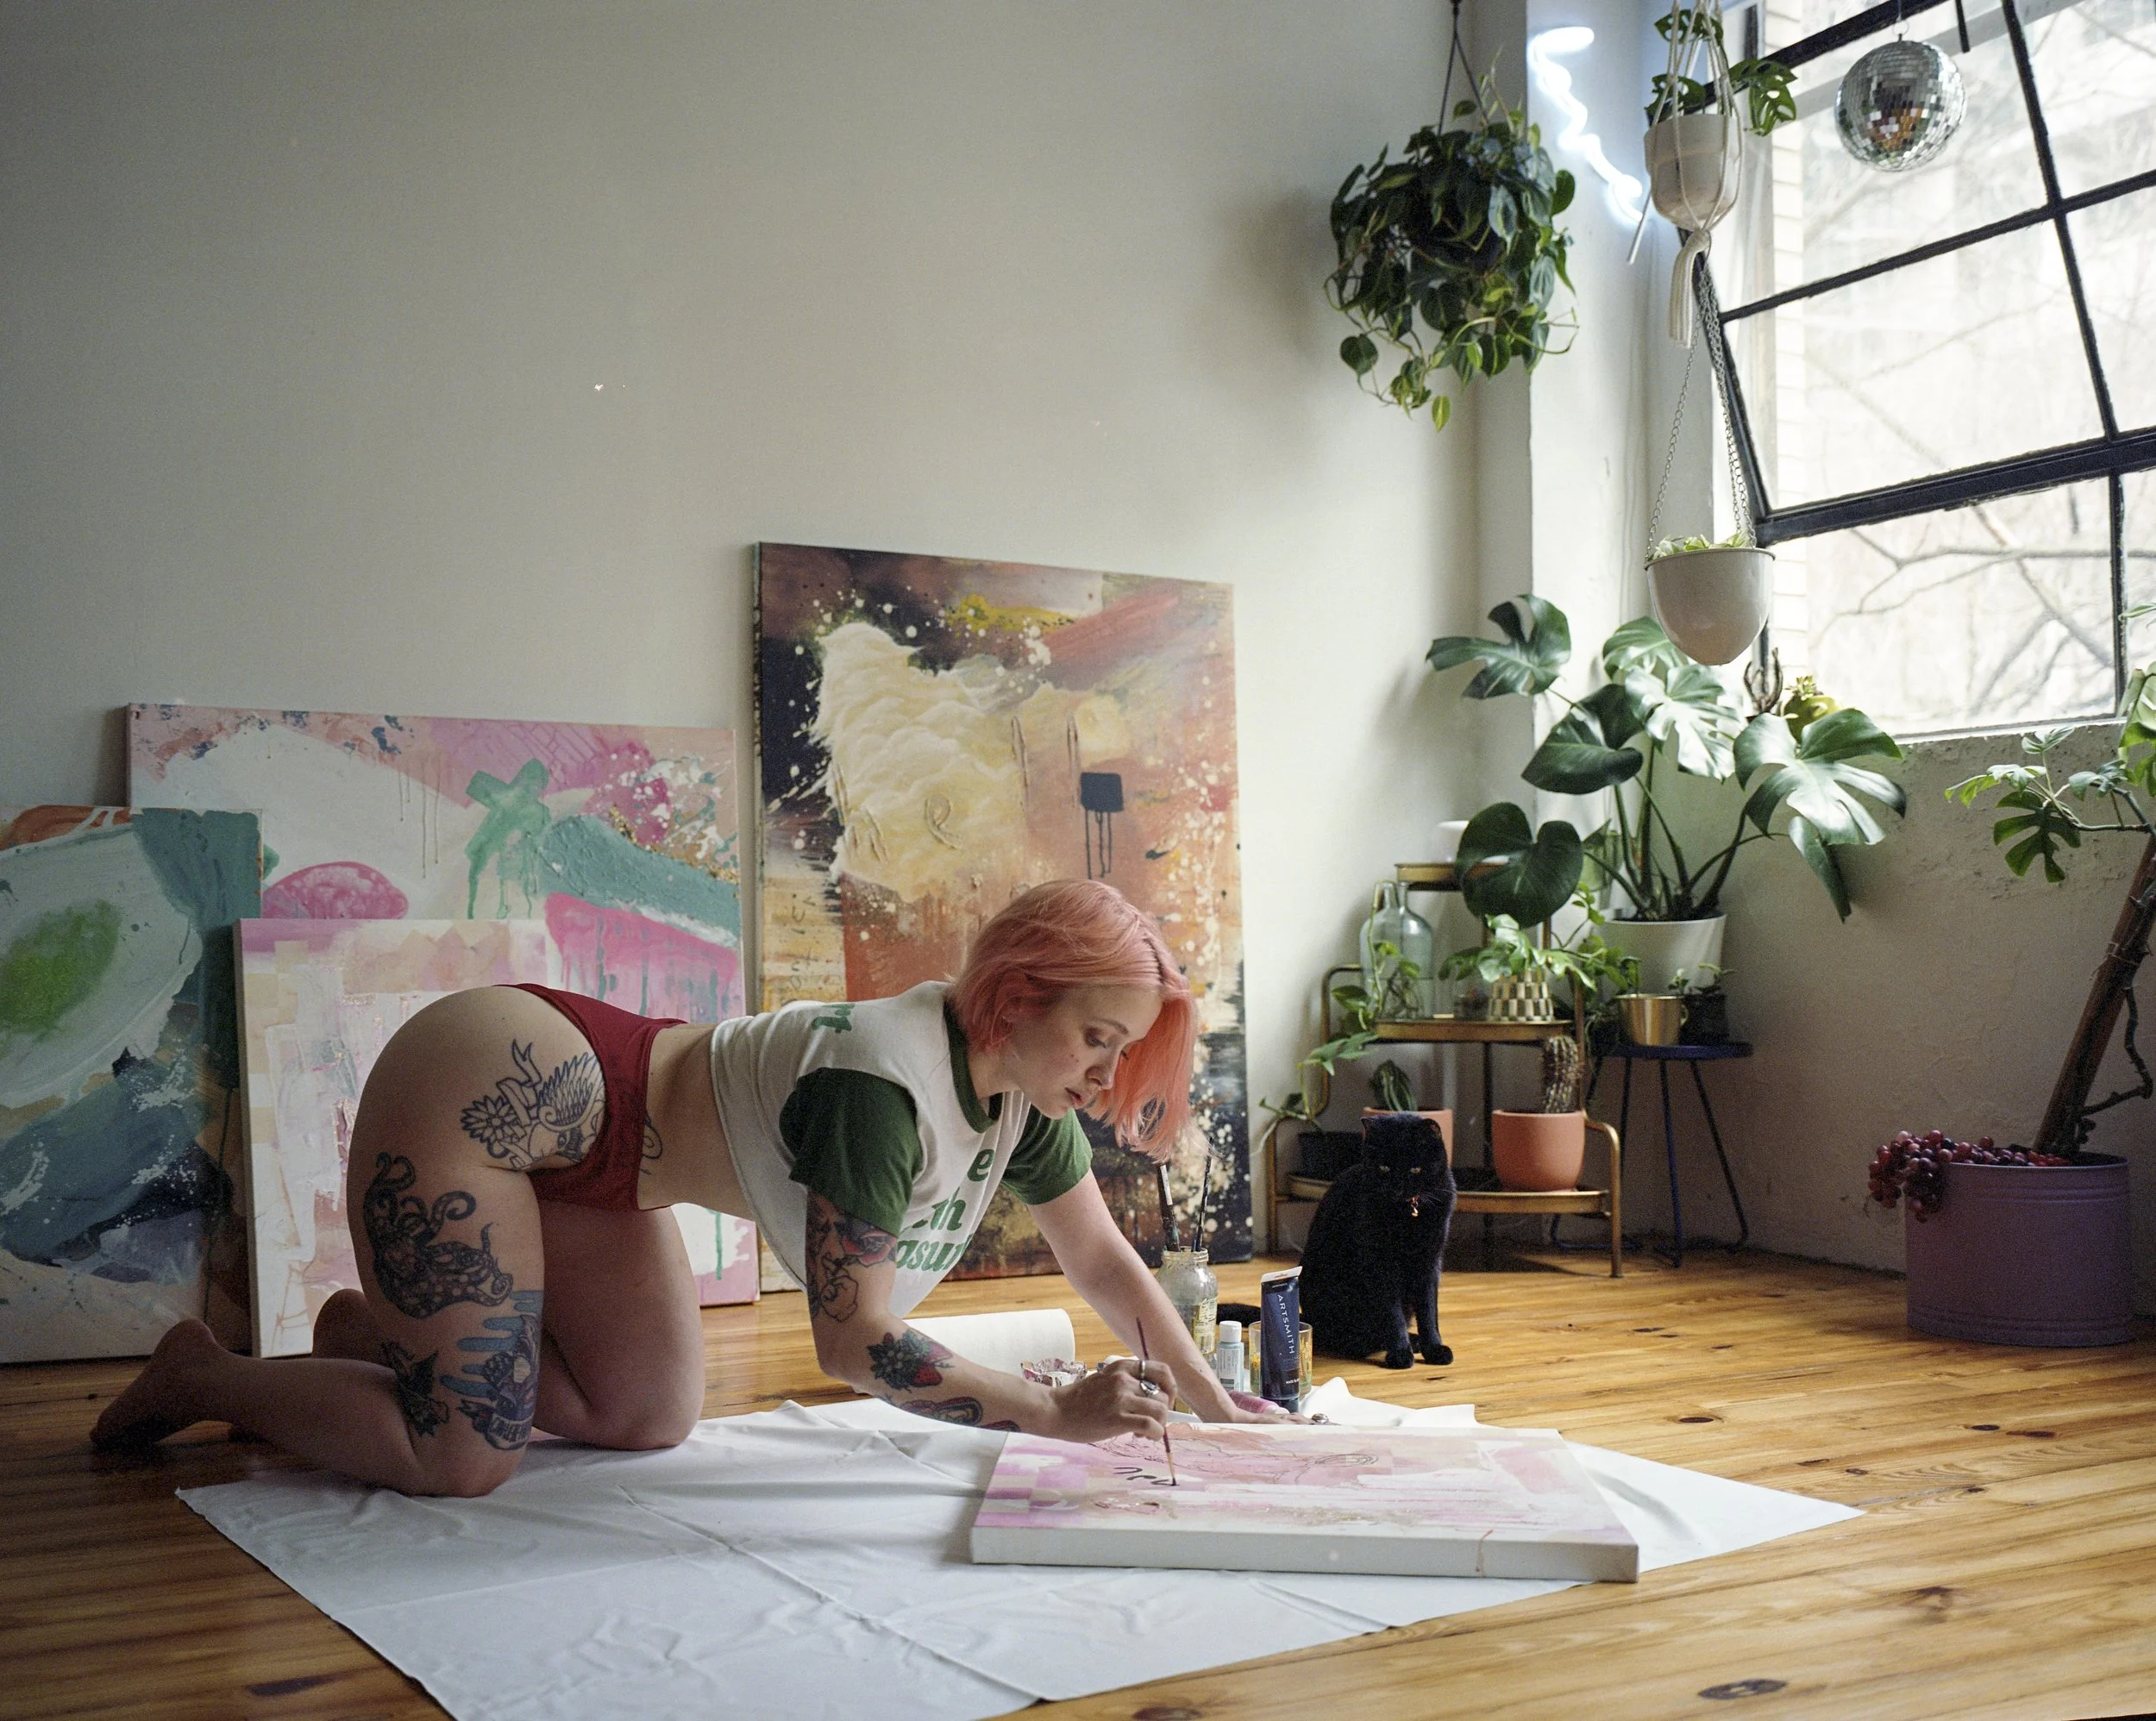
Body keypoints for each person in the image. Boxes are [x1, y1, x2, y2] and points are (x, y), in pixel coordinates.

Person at [94, 879, 1269, 1494]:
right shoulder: (882, 1092)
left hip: (609, 1155)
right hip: (492, 1088)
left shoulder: (1023, 1096)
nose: (1109, 1074)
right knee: (461, 1462)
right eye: (1098, 1040)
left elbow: (1105, 1262)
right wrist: (1053, 1412)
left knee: (643, 1419)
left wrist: (1216, 1412)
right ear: (1016, 1003)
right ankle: (208, 1375)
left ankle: (390, 1342)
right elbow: (854, 1342)